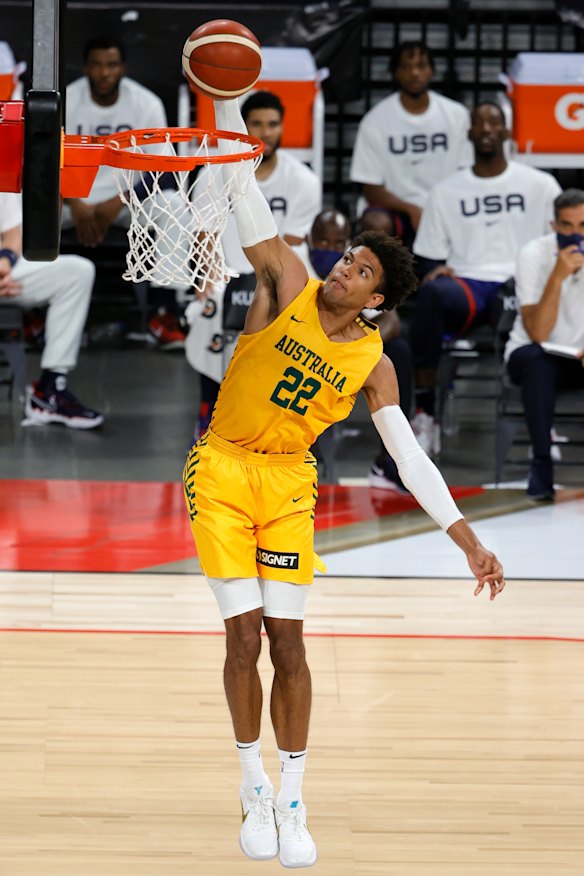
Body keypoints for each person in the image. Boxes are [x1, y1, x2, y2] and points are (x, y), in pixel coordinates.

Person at [182, 96, 506, 870]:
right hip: (221, 469)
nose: (343, 269)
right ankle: (251, 781)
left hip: (290, 484)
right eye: (346, 259)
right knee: (243, 637)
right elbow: (248, 191)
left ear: (378, 301)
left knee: (290, 645)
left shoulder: (375, 364)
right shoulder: (290, 278)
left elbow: (410, 458)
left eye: (359, 270)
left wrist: (466, 539)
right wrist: (226, 106)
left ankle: (293, 798)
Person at [409, 102, 562, 455]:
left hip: (520, 280)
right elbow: (429, 253)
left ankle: (542, 425)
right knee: (432, 293)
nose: (487, 128)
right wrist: (437, 268)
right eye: (479, 123)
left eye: (494, 122)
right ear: (470, 134)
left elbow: (559, 242)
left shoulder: (541, 185)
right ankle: (426, 414)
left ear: (507, 132)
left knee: (529, 309)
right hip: (470, 283)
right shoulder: (446, 190)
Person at [185, 90, 322, 437]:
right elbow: (204, 236)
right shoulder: (214, 174)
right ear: (244, 128)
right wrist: (209, 278)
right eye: (257, 124)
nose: (266, 131)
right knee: (211, 308)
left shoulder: (303, 180)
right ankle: (210, 410)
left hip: (276, 278)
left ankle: (279, 419)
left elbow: (290, 249)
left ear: (282, 127)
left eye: (273, 124)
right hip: (227, 273)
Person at [64, 35, 185, 350]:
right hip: (68, 197)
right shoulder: (64, 99)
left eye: (112, 65)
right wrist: (73, 200)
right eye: (97, 65)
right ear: (85, 67)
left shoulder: (145, 104)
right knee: (17, 206)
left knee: (173, 206)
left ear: (123, 68)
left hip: (128, 200)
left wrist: (119, 199)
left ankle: (163, 313)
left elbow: (163, 169)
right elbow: (43, 162)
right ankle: (29, 313)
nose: (104, 73)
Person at [307, 207, 413, 491]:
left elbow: (391, 320)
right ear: (308, 240)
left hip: (346, 358)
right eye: (322, 242)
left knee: (398, 353)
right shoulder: (297, 273)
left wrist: (357, 346)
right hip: (303, 352)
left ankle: (388, 460)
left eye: (338, 244)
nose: (330, 250)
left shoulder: (355, 275)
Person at [350, 40, 471, 247]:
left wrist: (437, 208)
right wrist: (412, 209)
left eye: (421, 66)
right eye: (406, 67)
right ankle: (379, 279)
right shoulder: (375, 121)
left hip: (447, 206)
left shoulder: (456, 115)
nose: (414, 73)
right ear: (395, 73)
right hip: (398, 209)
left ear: (432, 70)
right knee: (375, 223)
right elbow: (370, 188)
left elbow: (467, 174)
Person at [505, 188, 584, 500]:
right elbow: (537, 331)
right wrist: (557, 276)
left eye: (583, 225)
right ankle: (541, 463)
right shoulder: (533, 254)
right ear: (554, 226)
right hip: (534, 353)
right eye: (567, 226)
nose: (576, 234)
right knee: (539, 363)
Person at [0, 191, 102, 428]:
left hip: (5, 272)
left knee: (78, 272)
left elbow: (13, 236)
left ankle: (49, 390)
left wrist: (5, 264)